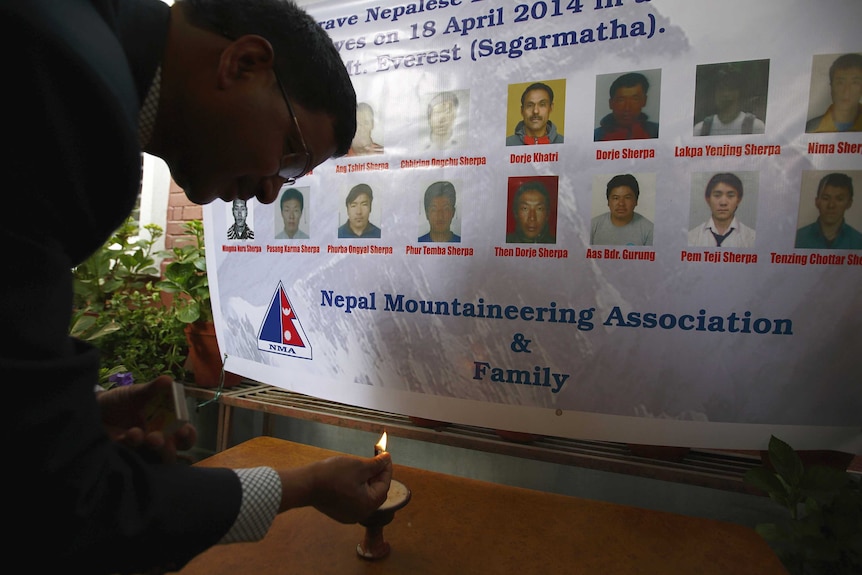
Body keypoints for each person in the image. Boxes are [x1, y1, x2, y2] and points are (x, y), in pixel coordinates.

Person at [3, 0, 392, 573]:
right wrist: (302, 487)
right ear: (244, 63)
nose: (267, 193)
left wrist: (76, 419)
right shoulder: (72, 98)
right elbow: (64, 508)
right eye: (288, 157)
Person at [795, 173, 862, 249]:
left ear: (849, 204)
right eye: (825, 198)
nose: (831, 205)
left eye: (839, 199)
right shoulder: (797, 239)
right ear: (817, 202)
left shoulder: (859, 242)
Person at [688, 173, 756, 247]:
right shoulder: (692, 237)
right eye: (717, 195)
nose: (723, 203)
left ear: (738, 200)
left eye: (730, 196)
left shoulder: (751, 238)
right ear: (708, 199)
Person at [694, 67, 766, 136]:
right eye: (720, 88)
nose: (725, 93)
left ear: (739, 93)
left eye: (730, 88)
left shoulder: (756, 127)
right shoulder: (700, 129)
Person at [590, 174, 654, 246]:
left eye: (627, 197)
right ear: (608, 201)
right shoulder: (592, 226)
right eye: (616, 198)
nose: (621, 203)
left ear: (636, 201)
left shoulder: (649, 230)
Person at [594, 72, 659, 141]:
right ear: (611, 103)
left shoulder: (656, 131)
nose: (627, 108)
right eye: (621, 100)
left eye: (635, 99)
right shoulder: (596, 136)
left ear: (644, 101)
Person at [805, 53, 862, 133]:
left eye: (855, 83)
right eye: (840, 82)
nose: (846, 91)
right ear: (831, 86)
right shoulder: (810, 128)